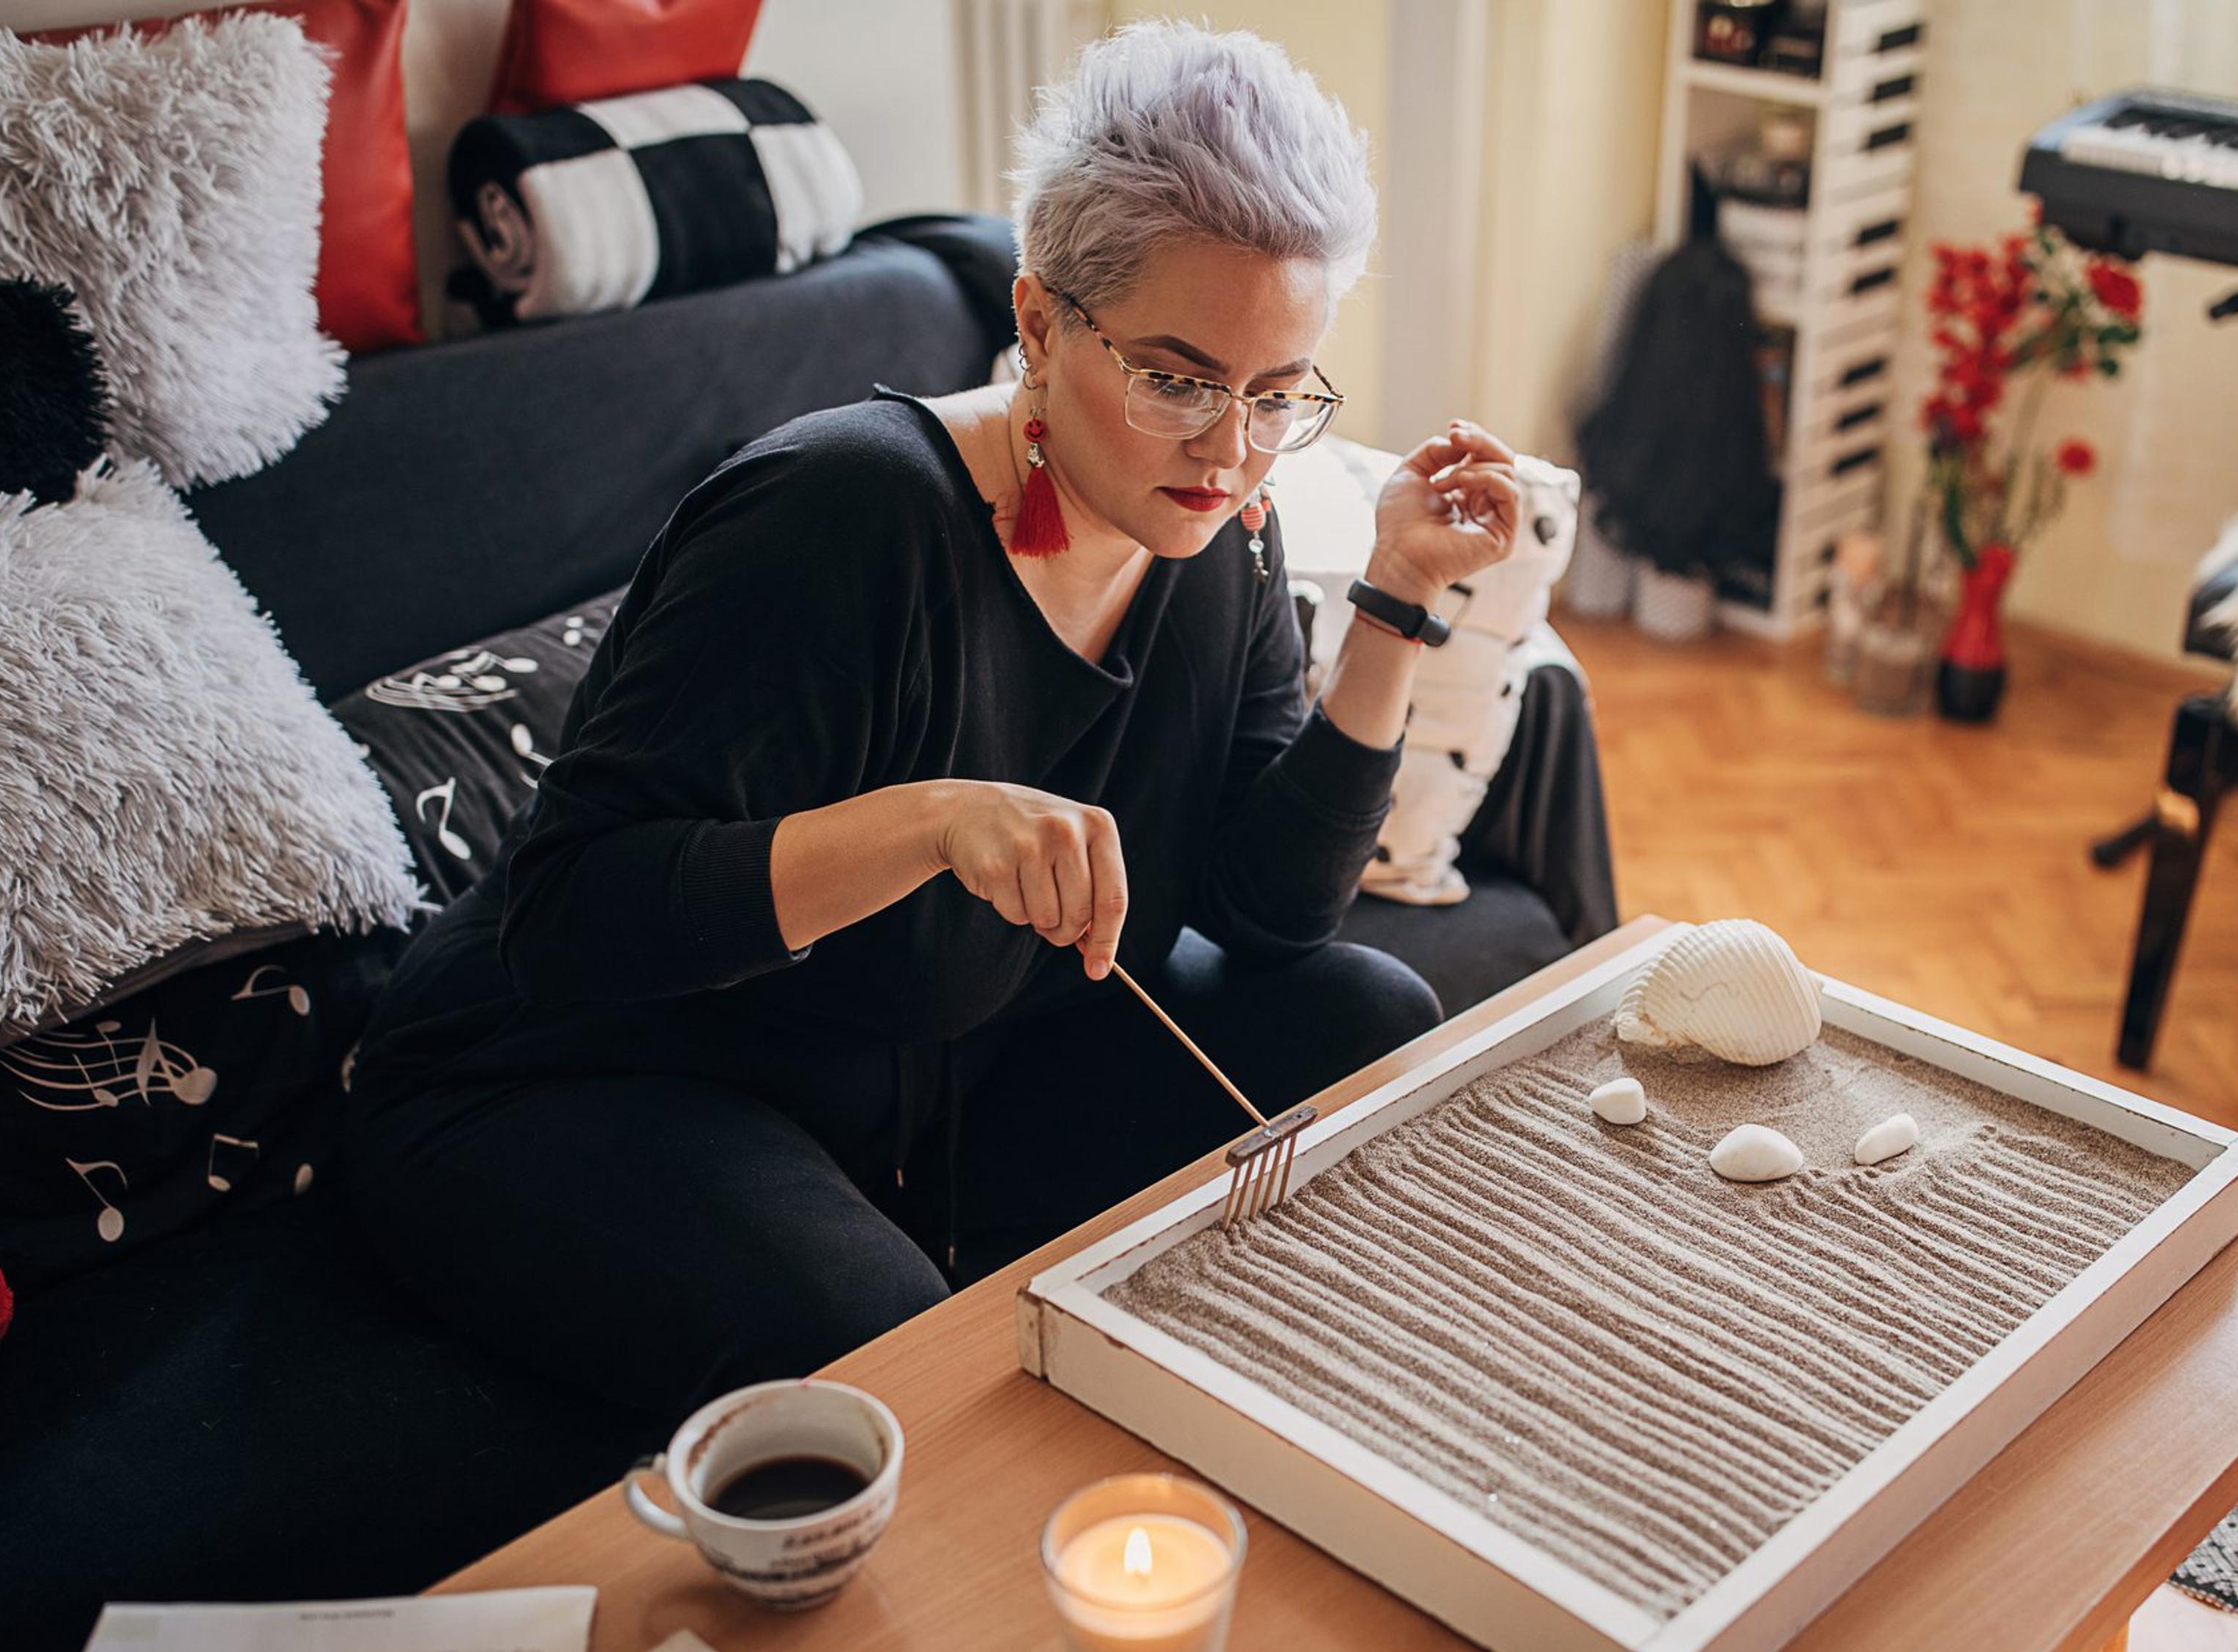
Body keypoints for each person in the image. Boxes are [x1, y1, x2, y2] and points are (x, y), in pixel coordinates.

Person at [343, 21, 1526, 1419]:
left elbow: (1272, 915)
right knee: (897, 1355)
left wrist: (1394, 600)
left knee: (1366, 1015)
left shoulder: (1213, 534)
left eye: (1278, 394)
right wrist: (930, 823)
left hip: (917, 1068)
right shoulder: (839, 515)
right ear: (1038, 322)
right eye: (1178, 379)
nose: (1230, 450)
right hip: (584, 1070)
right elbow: (570, 915)